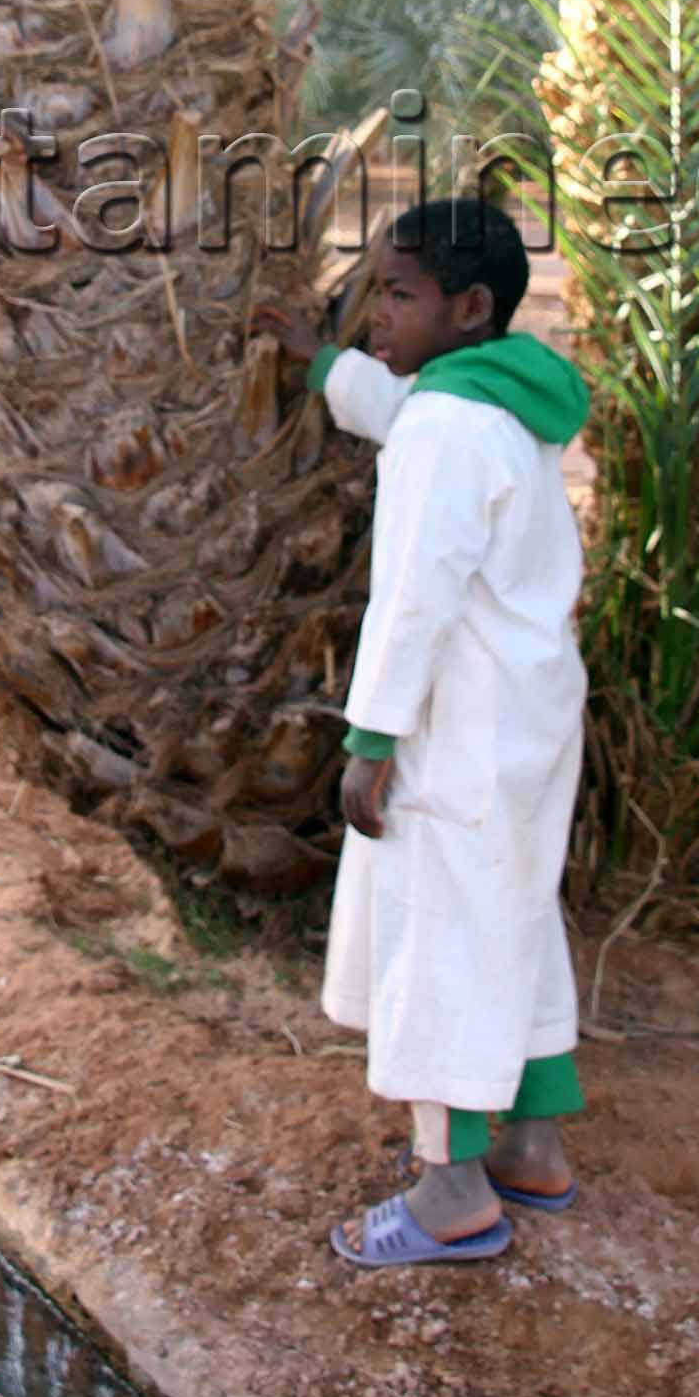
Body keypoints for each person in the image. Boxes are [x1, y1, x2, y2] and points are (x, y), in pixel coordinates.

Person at [262, 198, 591, 1266]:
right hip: (533, 719)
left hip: (457, 728)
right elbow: (401, 411)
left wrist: (370, 740)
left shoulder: (447, 428)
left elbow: (412, 598)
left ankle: (452, 1193)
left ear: (470, 305)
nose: (376, 314)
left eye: (398, 295)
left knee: (440, 938)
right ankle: (533, 1146)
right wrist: (322, 366)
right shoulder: (493, 404)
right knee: (513, 913)